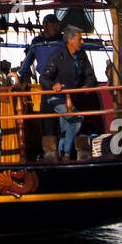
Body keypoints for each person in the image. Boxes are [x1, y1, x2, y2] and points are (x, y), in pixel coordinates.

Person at [39, 25, 99, 161]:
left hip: (72, 98)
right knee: (77, 119)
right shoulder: (57, 56)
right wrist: (53, 86)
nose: (82, 42)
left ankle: (60, 153)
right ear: (70, 41)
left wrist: (87, 86)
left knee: (66, 127)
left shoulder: (82, 56)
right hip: (56, 98)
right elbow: (43, 78)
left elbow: (90, 76)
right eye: (80, 39)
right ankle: (66, 154)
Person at [18, 14, 63, 83]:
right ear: (44, 25)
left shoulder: (63, 40)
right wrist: (19, 74)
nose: (56, 27)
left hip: (62, 79)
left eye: (57, 25)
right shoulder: (36, 42)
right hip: (45, 80)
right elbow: (28, 60)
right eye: (53, 24)